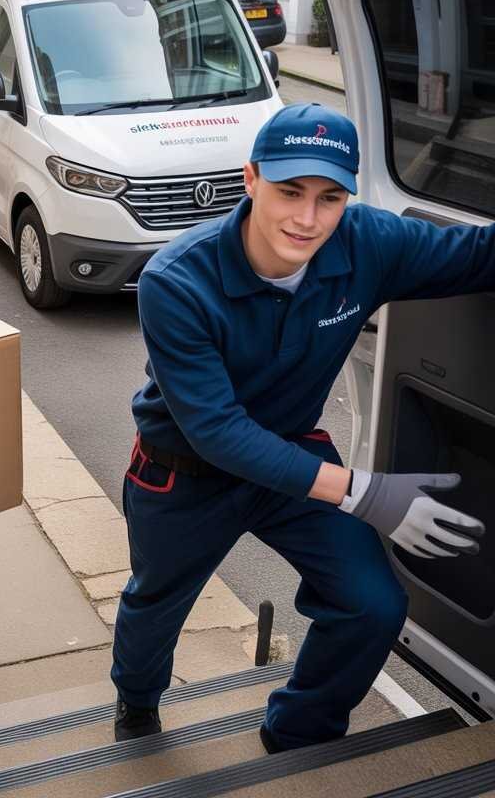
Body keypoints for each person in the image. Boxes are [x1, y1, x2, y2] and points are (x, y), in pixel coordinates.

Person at [112, 103, 487, 753]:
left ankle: (299, 735)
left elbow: (479, 255)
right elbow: (217, 431)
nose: (307, 218)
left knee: (372, 603)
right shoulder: (176, 281)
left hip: (292, 452)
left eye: (329, 197)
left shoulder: (367, 243)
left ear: (348, 198)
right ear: (251, 178)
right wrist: (365, 492)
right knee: (154, 605)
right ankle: (137, 701)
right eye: (289, 191)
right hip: (184, 471)